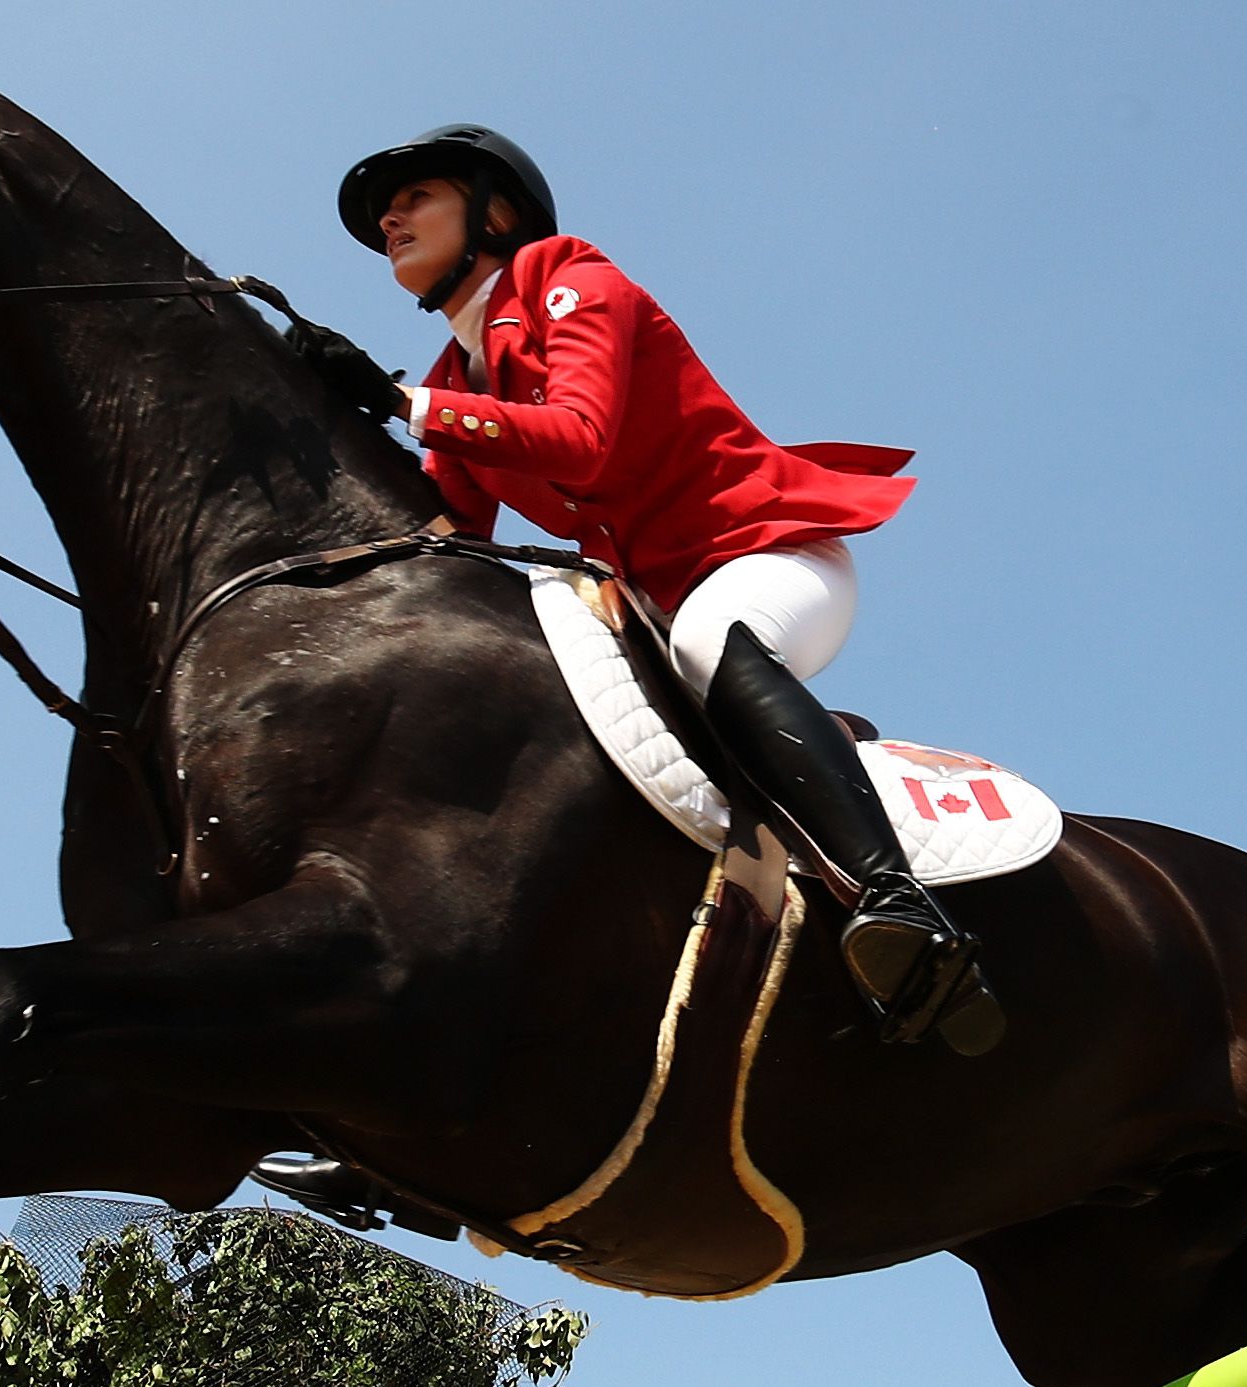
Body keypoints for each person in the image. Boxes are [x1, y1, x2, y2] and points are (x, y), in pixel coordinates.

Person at [332, 123, 1002, 1053]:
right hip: (647, 601)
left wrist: (406, 404)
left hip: (763, 555)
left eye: (416, 197)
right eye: (383, 213)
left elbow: (578, 439)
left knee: (705, 643)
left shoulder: (572, 278)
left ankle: (901, 904)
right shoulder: (456, 379)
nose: (390, 218)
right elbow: (446, 548)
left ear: (496, 212)